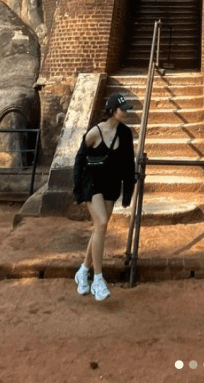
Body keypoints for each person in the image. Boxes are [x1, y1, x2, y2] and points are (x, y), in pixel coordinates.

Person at [72, 92, 136, 301]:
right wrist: (78, 189)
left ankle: (82, 270)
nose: (125, 112)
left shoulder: (125, 134)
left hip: (111, 184)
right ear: (111, 110)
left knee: (100, 228)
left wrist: (128, 191)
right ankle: (98, 279)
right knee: (101, 222)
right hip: (92, 181)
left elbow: (128, 164)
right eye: (122, 108)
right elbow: (79, 159)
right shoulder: (95, 132)